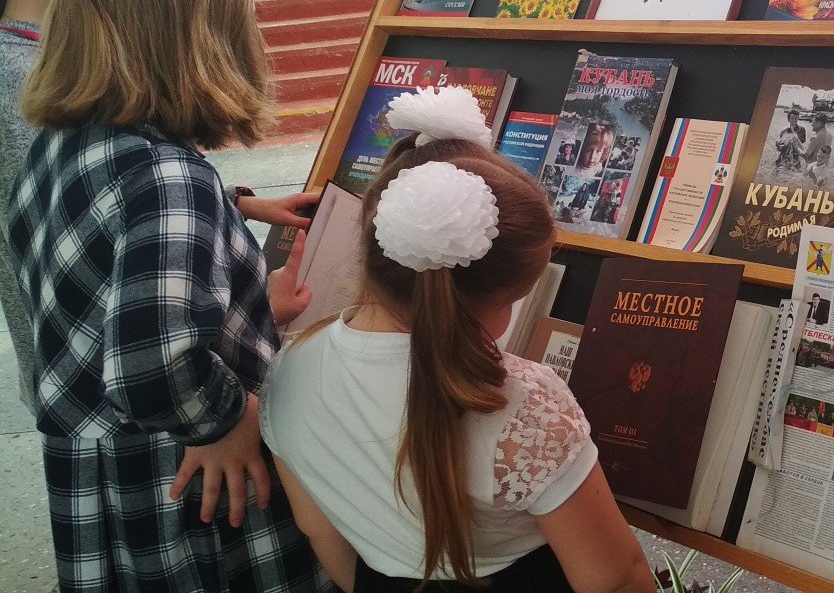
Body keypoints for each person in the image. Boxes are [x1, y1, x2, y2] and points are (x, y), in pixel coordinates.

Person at [5, 0, 325, 592]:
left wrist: (249, 314)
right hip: (187, 484)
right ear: (201, 31)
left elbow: (103, 299)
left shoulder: (57, 149)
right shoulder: (166, 178)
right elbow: (153, 365)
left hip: (104, 477)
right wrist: (228, 420)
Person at [261, 87, 655, 593]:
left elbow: (319, 531)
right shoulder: (522, 406)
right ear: (465, 305)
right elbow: (617, 578)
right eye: (511, 300)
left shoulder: (286, 369)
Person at [0, 0, 317, 419]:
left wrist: (230, 203)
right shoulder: (21, 79)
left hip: (80, 397)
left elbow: (98, 202)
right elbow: (151, 357)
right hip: (146, 428)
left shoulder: (63, 124)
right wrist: (227, 419)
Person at [0, 0, 131, 418]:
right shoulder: (19, 77)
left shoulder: (45, 60)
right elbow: (73, 229)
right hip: (99, 380)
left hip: (86, 371)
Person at [801, 112, 834, 186]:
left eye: (813, 122)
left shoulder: (815, 137)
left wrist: (796, 147)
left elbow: (806, 155)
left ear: (819, 123)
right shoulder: (829, 133)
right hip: (824, 168)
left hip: (814, 170)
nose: (811, 124)